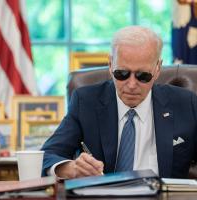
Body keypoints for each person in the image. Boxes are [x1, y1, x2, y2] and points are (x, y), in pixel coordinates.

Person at [41, 26, 197, 179]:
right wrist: (70, 168)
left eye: (142, 76)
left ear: (157, 69)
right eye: (122, 74)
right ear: (110, 65)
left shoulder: (186, 103)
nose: (131, 85)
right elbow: (46, 156)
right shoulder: (86, 102)